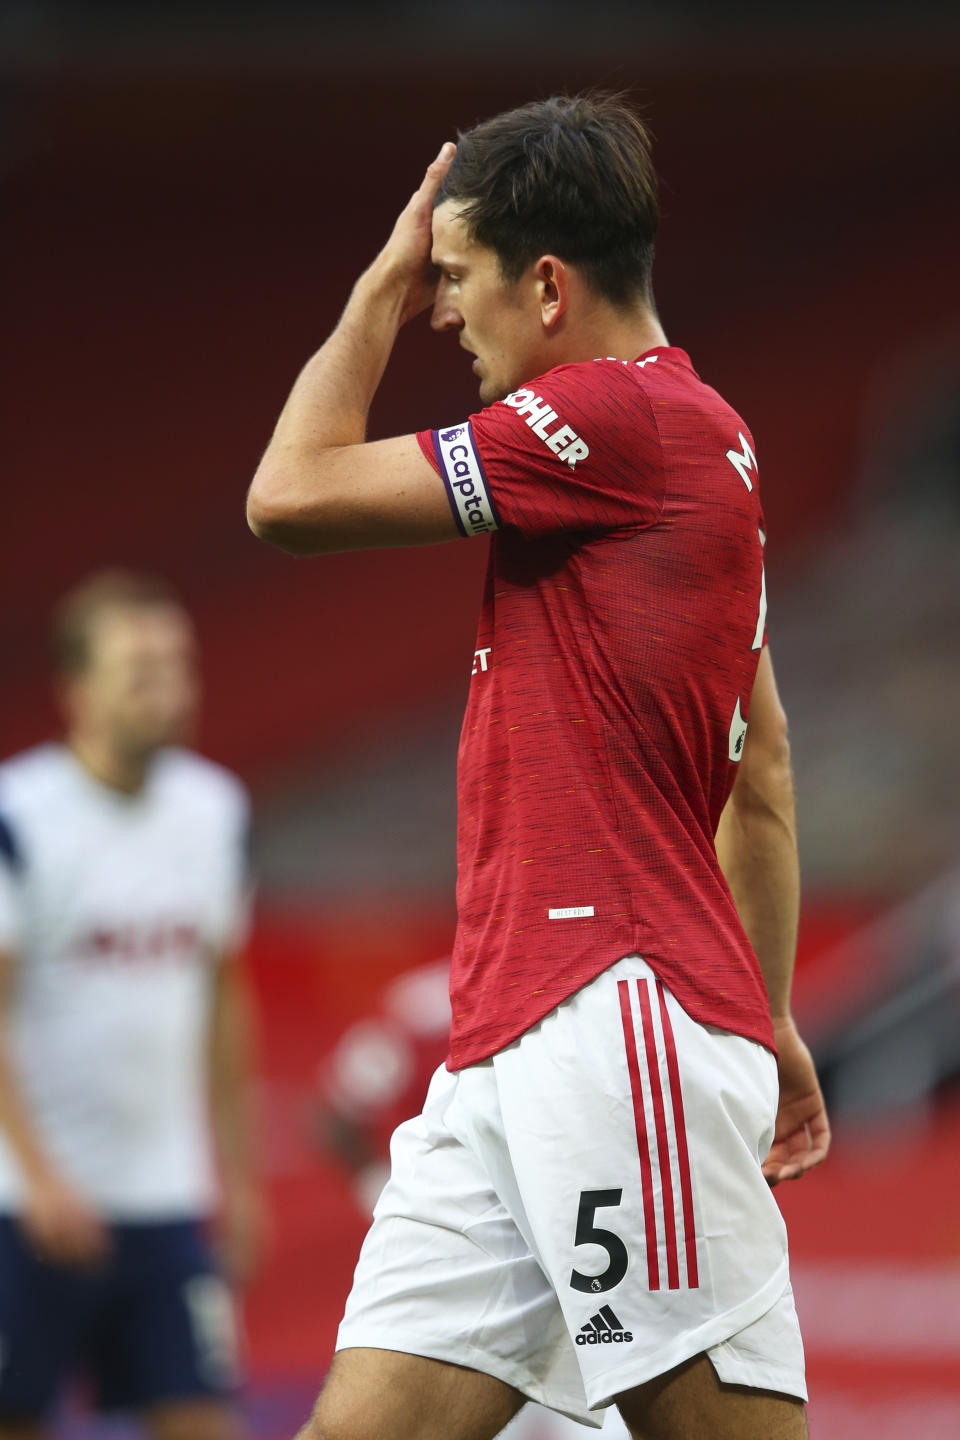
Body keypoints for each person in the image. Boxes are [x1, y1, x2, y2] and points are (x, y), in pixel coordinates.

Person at [246, 93, 830, 1440]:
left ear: (548, 286)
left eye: (456, 281)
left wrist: (375, 291)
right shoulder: (702, 444)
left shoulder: (602, 422)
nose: (444, 311)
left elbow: (288, 495)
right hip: (514, 1038)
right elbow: (766, 764)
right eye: (429, 284)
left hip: (608, 1011)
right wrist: (772, 1013)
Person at [0, 571, 263, 1440]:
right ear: (77, 689)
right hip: (23, 1206)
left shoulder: (216, 811)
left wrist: (241, 1177)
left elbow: (225, 999)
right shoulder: (19, 817)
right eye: (140, 669)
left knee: (203, 1420)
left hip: (165, 1200)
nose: (168, 689)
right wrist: (39, 1178)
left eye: (178, 665)